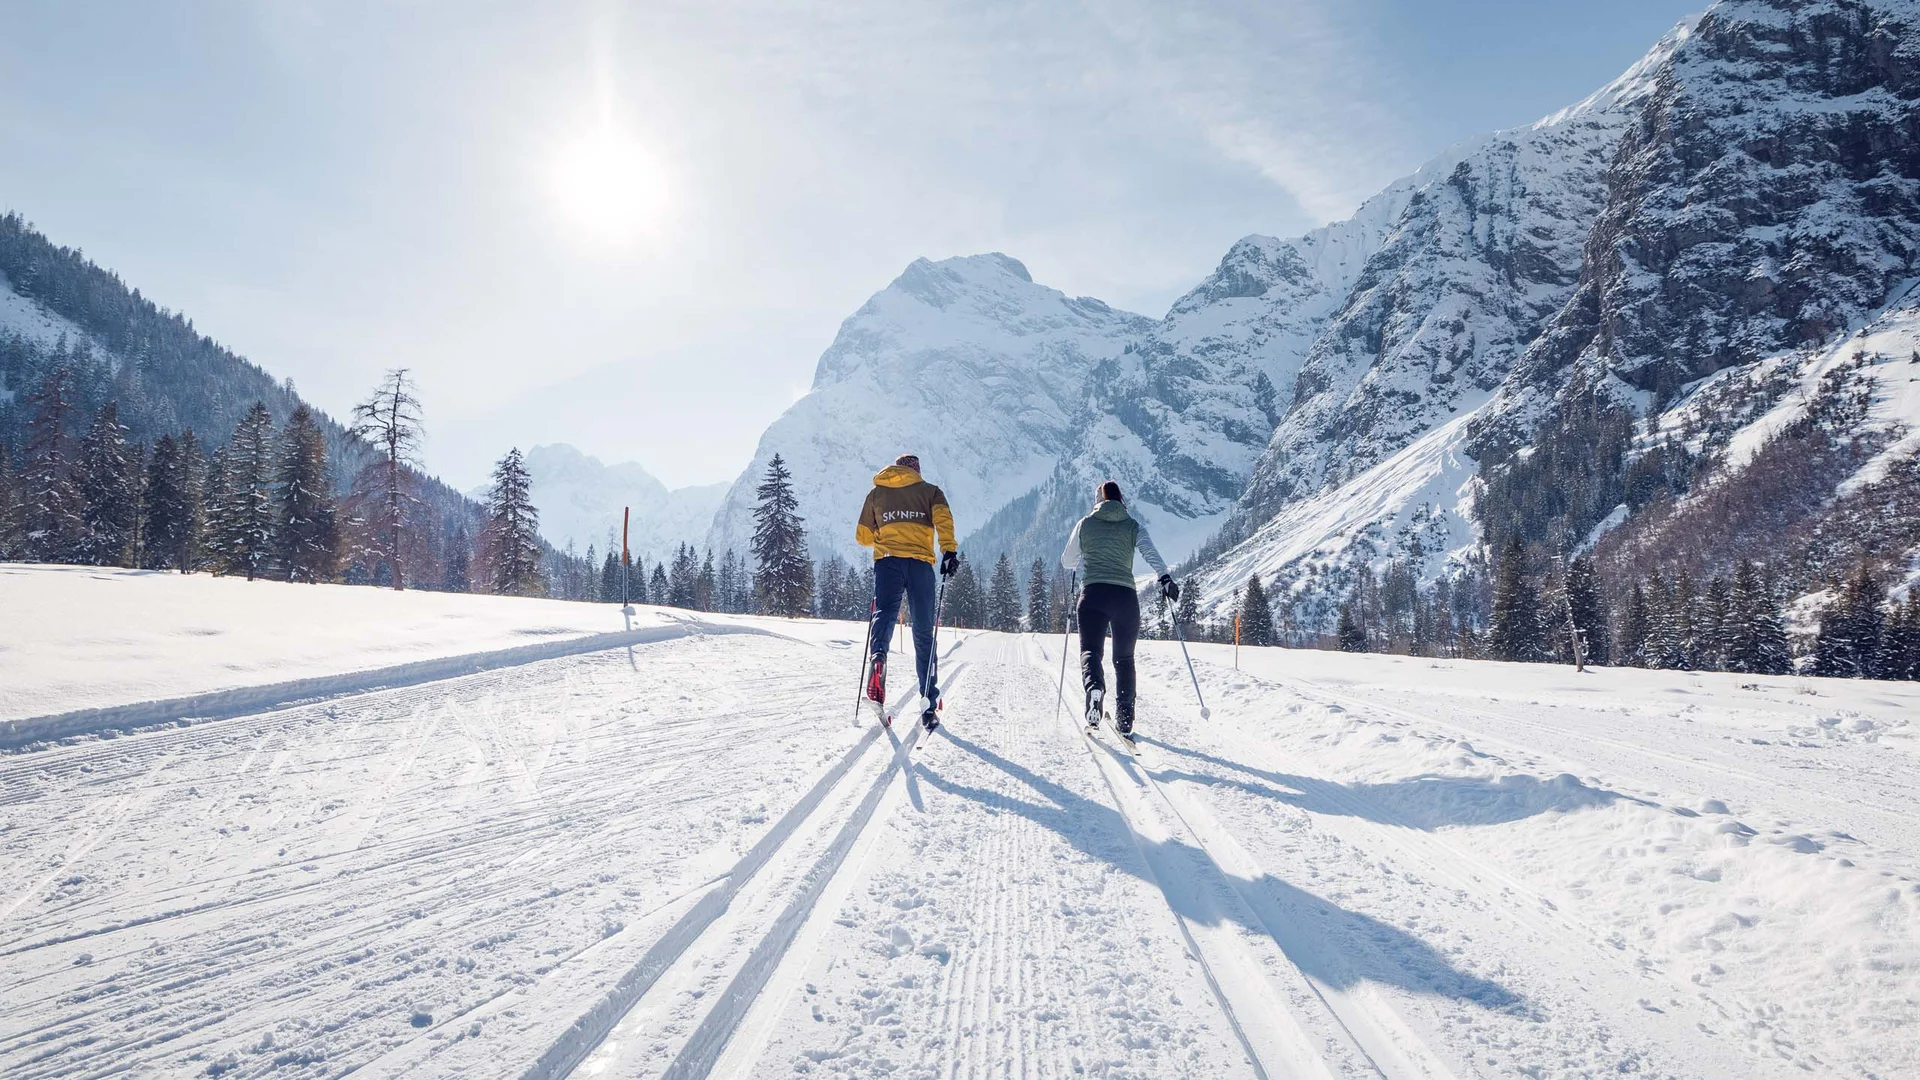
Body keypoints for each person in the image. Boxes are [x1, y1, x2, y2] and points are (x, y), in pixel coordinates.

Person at [1060, 480, 1176, 738]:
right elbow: (1150, 553)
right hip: (1125, 597)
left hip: (1093, 595)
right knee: (1124, 659)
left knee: (1091, 651)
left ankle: (1095, 690)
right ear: (1120, 500)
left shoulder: (1085, 524)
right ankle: (1125, 720)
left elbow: (1068, 562)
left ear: (1098, 501)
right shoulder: (1133, 526)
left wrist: (1084, 554)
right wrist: (1165, 578)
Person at [855, 454, 959, 729]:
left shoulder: (876, 493)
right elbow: (944, 521)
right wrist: (949, 550)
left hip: (887, 562)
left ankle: (878, 658)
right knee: (924, 632)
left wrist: (885, 532)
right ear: (916, 471)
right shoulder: (930, 492)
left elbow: (862, 536)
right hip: (920, 565)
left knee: (885, 613)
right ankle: (928, 702)